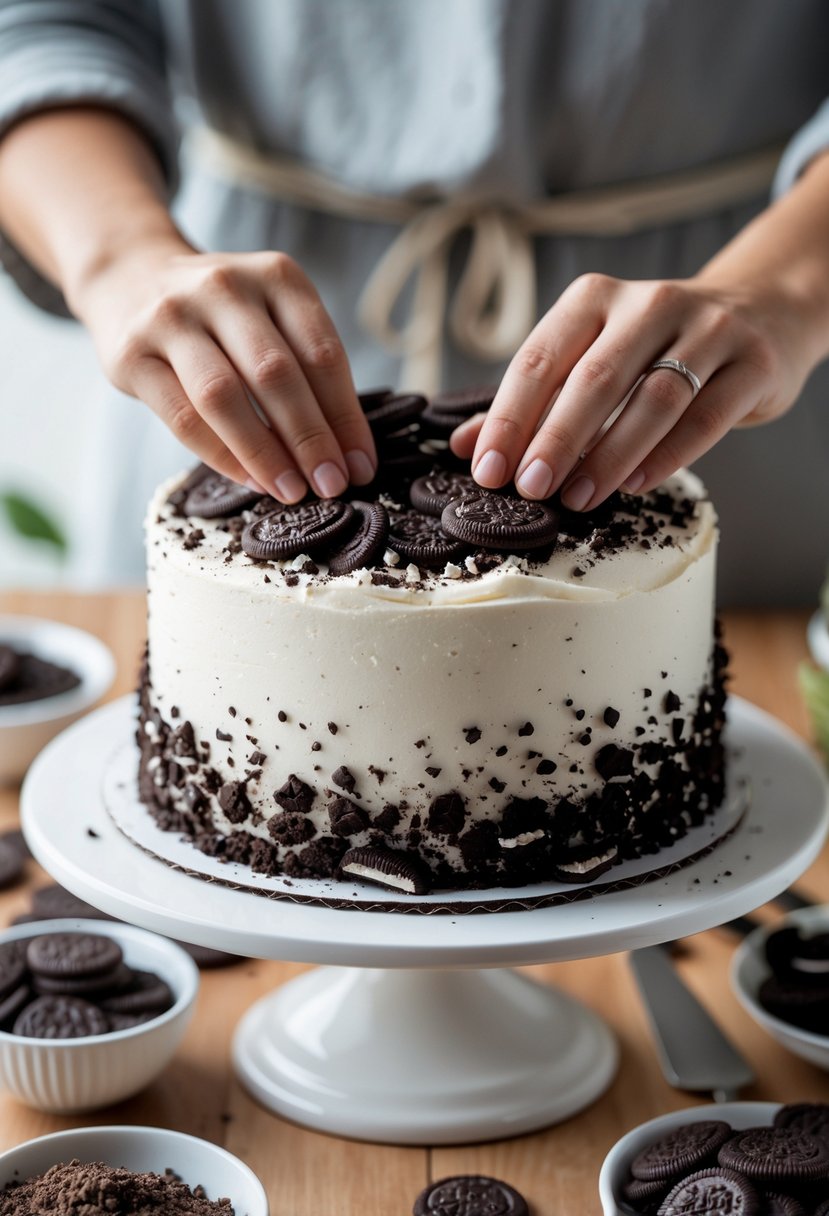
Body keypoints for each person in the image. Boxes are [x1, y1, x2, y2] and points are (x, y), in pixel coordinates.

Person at [1, 0, 829, 602]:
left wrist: (786, 283)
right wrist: (120, 257)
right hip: (225, 374)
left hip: (723, 402)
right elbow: (36, 24)